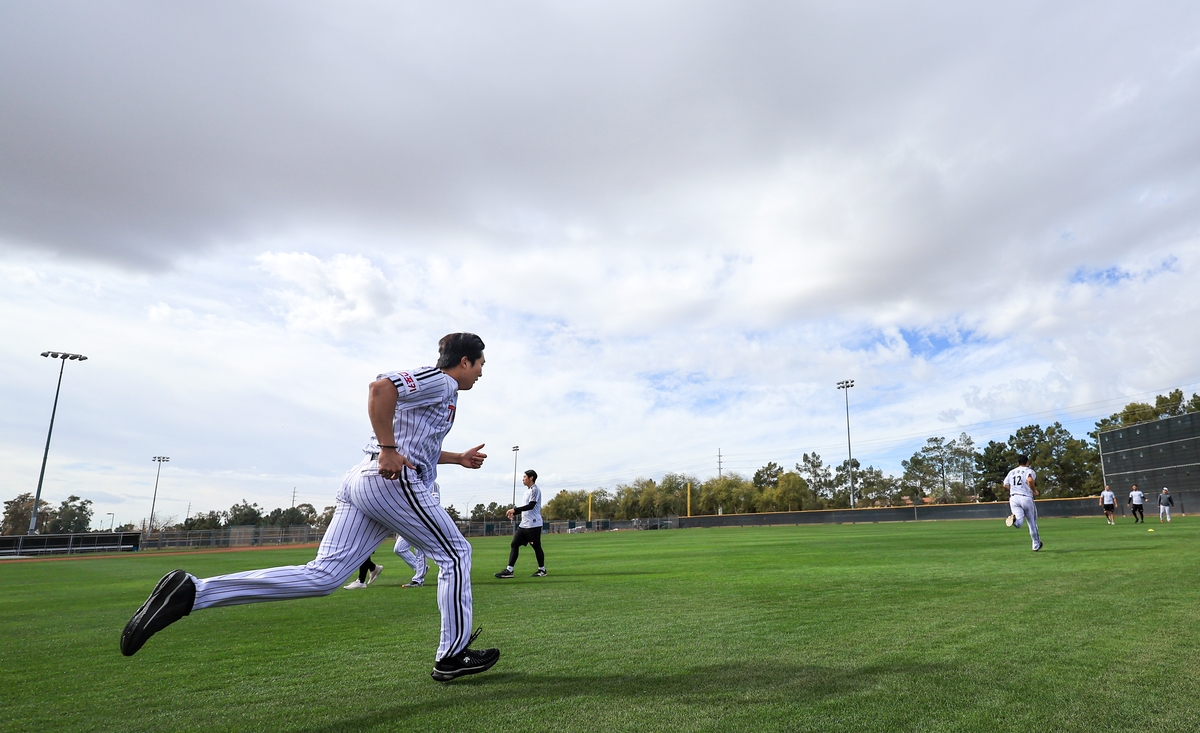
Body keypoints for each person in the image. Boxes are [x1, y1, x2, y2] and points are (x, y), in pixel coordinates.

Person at [120, 333, 501, 682]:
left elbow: (417, 443)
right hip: (388, 479)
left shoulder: (444, 393)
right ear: (464, 361)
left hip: (366, 479)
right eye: (481, 364)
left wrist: (457, 458)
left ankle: (193, 592)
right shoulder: (442, 380)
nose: (482, 373)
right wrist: (387, 449)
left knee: (323, 576)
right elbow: (381, 388)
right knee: (455, 552)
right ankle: (452, 655)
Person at [495, 470, 546, 578]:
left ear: (531, 478)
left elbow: (531, 506)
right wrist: (513, 512)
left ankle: (542, 570)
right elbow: (525, 508)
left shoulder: (535, 490)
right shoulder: (527, 491)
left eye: (524, 477)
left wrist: (514, 509)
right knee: (514, 544)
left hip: (533, 524)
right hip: (524, 525)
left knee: (536, 546)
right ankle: (509, 570)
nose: (523, 479)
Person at [392, 481, 441, 588]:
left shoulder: (432, 484)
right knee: (399, 548)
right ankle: (420, 568)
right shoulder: (407, 482)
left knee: (420, 551)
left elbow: (434, 503)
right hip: (408, 521)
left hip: (423, 522)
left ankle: (418, 580)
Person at [1003, 454, 1042, 551]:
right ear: (1027, 462)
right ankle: (1036, 545)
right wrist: (1034, 491)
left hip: (1013, 498)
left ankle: (1014, 520)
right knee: (1031, 523)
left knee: (1019, 523)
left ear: (1018, 463)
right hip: (1025, 498)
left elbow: (1005, 485)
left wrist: (1014, 489)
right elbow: (1030, 480)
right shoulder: (1029, 471)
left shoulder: (1011, 472)